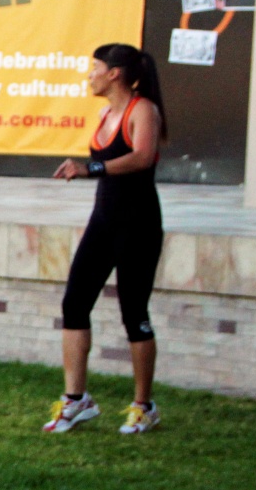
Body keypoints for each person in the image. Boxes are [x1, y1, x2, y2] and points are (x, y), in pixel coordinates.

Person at [46, 44, 167, 435]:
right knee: (74, 303)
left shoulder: (143, 110)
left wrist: (90, 168)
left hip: (139, 225)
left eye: (94, 68)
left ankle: (144, 406)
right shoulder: (104, 114)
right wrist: (91, 170)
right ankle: (76, 400)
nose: (89, 75)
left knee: (134, 313)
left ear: (114, 73)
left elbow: (143, 157)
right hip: (103, 222)